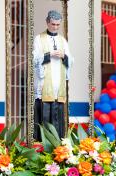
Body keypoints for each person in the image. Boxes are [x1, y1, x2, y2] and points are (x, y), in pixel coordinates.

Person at [33, 10, 74, 140]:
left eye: (57, 25)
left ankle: (58, 146)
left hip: (58, 88)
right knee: (44, 120)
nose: (55, 27)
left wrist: (64, 56)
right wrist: (49, 54)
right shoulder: (39, 39)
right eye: (53, 24)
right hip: (44, 85)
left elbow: (71, 60)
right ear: (47, 22)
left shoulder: (63, 40)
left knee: (58, 120)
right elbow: (34, 59)